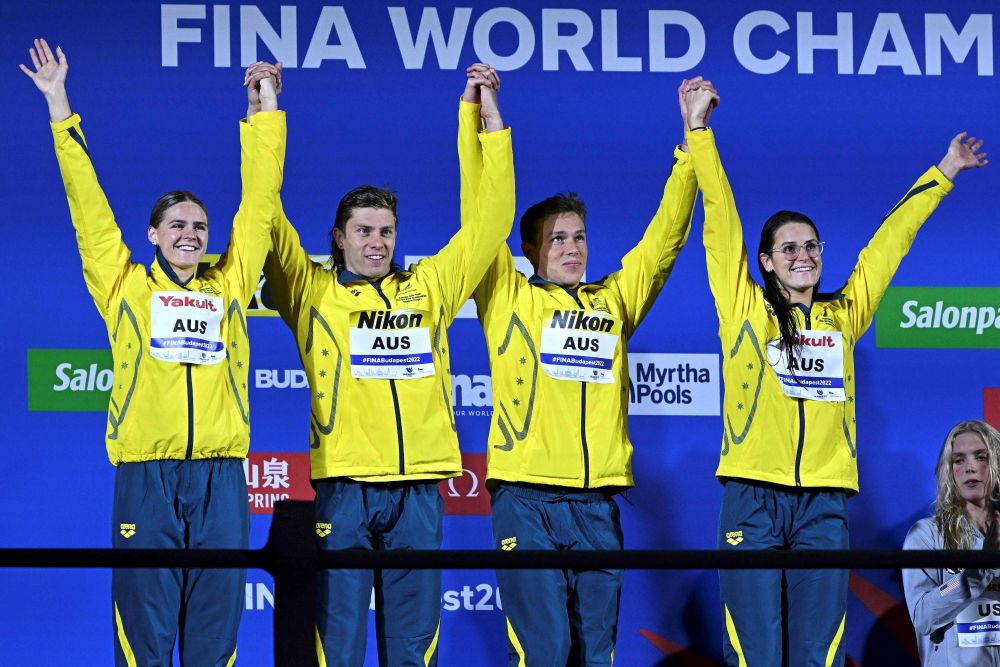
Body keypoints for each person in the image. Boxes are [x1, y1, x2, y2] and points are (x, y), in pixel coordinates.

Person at [683, 81, 988, 666]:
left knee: (817, 654)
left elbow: (887, 245)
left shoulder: (844, 315)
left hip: (824, 504)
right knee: (754, 654)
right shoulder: (743, 307)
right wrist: (700, 134)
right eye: (789, 247)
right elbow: (720, 218)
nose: (805, 255)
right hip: (752, 495)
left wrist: (944, 170)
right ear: (766, 260)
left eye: (813, 245)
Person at [21, 39, 285, 666]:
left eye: (199, 225)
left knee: (216, 633)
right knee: (143, 637)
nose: (191, 233)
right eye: (176, 225)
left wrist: (264, 115)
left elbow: (260, 207)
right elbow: (89, 211)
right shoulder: (124, 286)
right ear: (152, 235)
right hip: (145, 476)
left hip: (221, 476)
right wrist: (60, 106)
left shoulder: (230, 284)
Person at [259, 64, 514, 666]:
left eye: (387, 231)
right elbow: (267, 212)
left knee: (414, 645)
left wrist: (482, 121)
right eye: (364, 231)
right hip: (344, 484)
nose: (377, 242)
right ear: (339, 239)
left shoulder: (428, 288)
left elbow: (490, 223)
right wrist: (266, 113)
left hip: (420, 485)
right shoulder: (311, 291)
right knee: (337, 646)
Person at [458, 65, 703, 665]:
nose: (572, 247)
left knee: (597, 654)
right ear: (532, 250)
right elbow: (479, 215)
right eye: (559, 238)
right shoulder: (508, 296)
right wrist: (483, 124)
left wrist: (691, 142)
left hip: (597, 504)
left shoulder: (614, 300)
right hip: (527, 499)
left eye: (579, 237)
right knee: (544, 653)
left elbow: (664, 240)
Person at [904, 420, 1000, 666]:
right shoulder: (926, 535)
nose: (970, 468)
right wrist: (975, 573)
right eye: (959, 460)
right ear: (948, 469)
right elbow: (923, 616)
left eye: (981, 457)